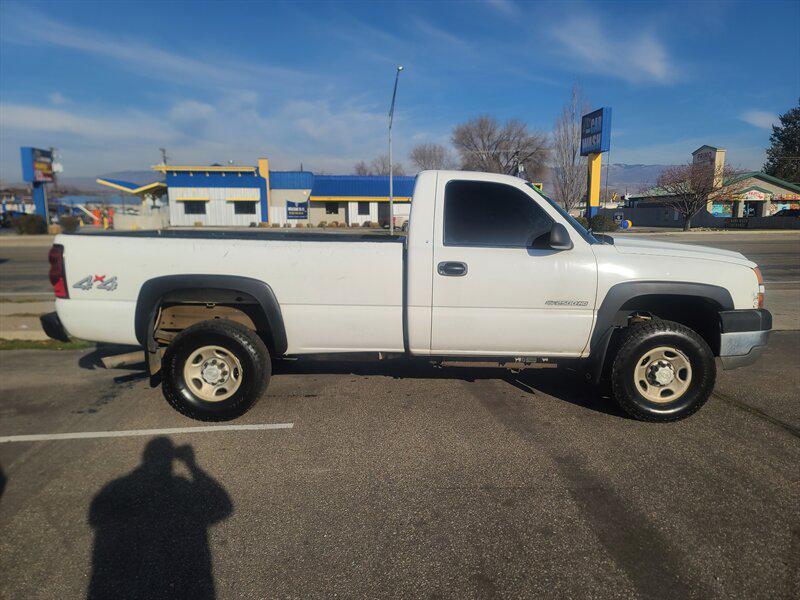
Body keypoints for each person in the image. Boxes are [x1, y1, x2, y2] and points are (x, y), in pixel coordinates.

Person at [87, 437, 232, 599]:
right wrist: (191, 464)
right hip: (185, 581)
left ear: (145, 456)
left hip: (120, 584)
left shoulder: (115, 488)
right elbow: (223, 505)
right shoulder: (181, 486)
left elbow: (96, 519)